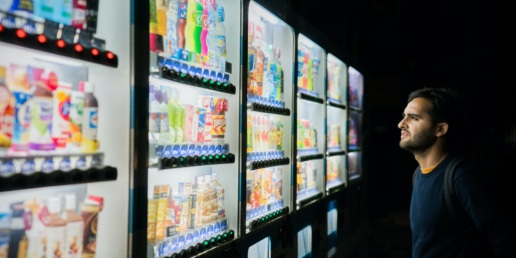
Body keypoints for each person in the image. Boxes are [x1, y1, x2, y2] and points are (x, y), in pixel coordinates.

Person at [398, 87, 516, 258]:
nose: (401, 124)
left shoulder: (461, 177)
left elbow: (505, 241)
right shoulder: (419, 174)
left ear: (440, 129)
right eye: (404, 116)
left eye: (414, 117)